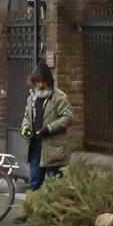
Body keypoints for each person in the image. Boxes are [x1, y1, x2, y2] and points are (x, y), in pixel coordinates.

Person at [22, 62, 73, 192]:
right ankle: (32, 210)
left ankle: (54, 210)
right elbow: (27, 116)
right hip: (35, 146)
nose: (39, 85)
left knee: (55, 184)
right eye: (37, 82)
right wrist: (26, 128)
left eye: (42, 82)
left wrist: (49, 128)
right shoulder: (31, 98)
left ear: (48, 81)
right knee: (34, 181)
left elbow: (68, 118)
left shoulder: (59, 98)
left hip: (53, 148)